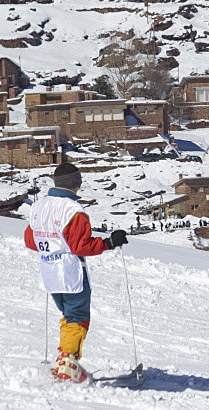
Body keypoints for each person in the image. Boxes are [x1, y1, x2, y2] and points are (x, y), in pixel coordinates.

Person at [24, 162, 129, 383]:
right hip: (71, 272)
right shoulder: (73, 210)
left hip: (49, 271)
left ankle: (66, 359)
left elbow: (30, 240)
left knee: (69, 317)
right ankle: (67, 362)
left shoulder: (39, 206)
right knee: (78, 318)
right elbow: (81, 246)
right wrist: (109, 242)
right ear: (77, 184)